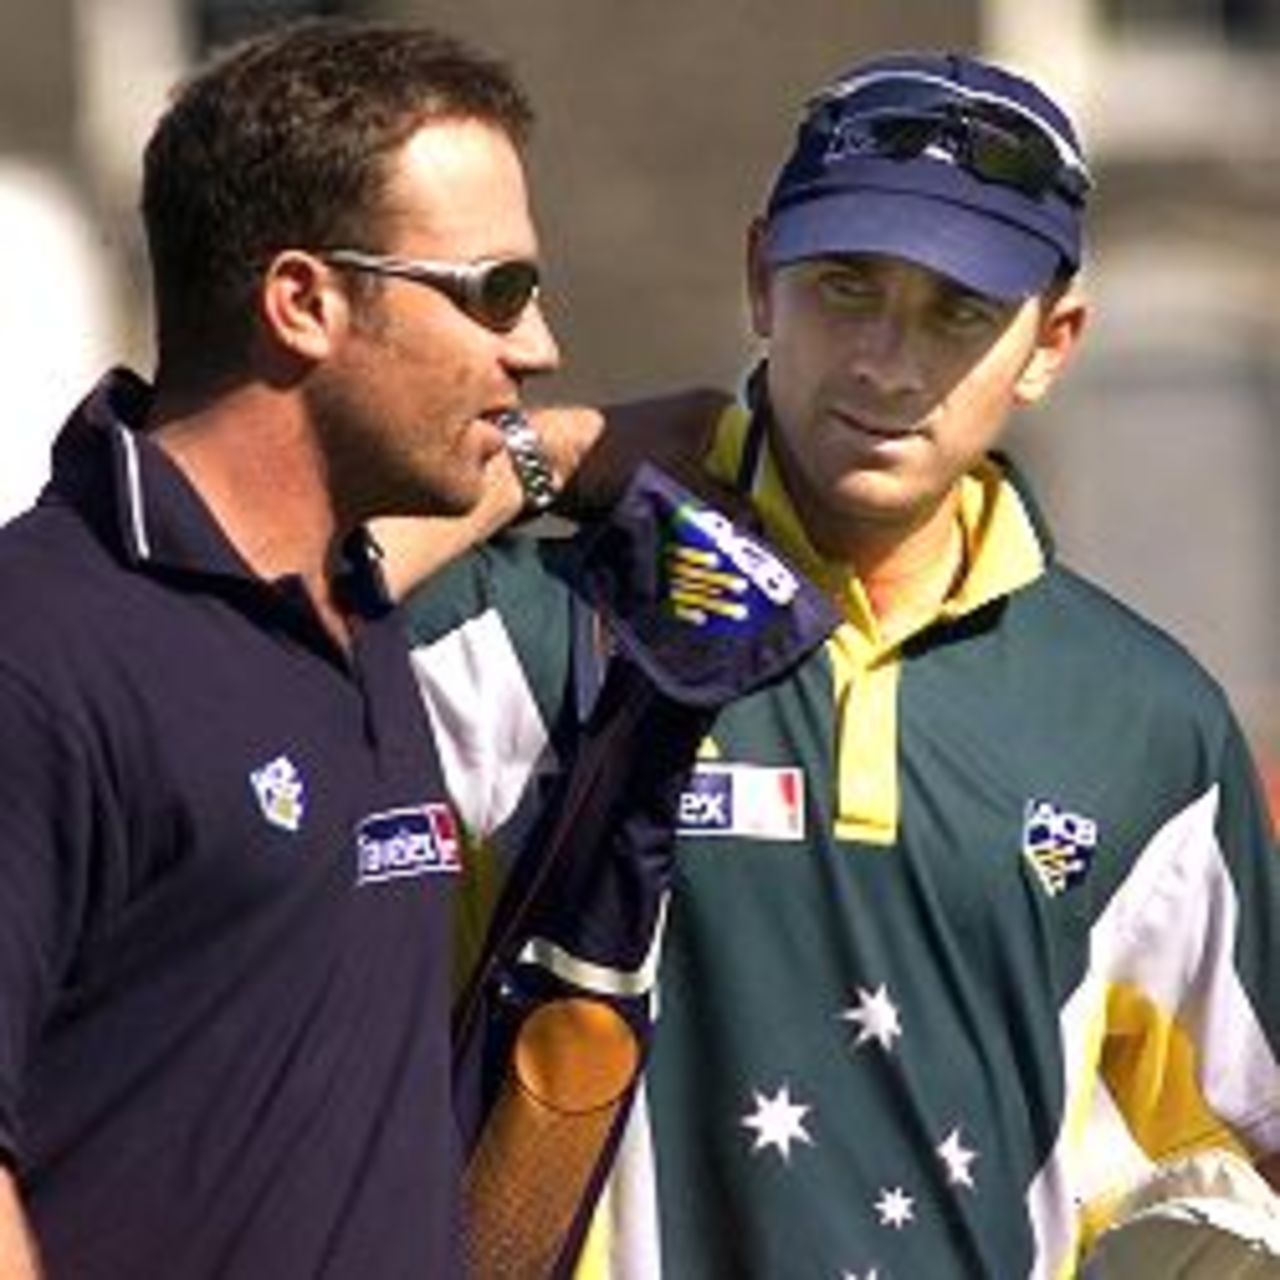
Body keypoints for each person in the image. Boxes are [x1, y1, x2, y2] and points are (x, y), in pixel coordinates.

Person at [402, 51, 1280, 1278]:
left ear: (1051, 340)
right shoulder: (528, 626)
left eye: (957, 312)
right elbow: (196, 618)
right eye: (843, 286)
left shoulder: (1142, 720)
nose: (883, 360)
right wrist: (549, 452)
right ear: (761, 276)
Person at [0, 17, 571, 1277]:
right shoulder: (41, 650)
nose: (534, 345)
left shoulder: (347, 591)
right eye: (496, 292)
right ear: (304, 301)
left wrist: (582, 448)